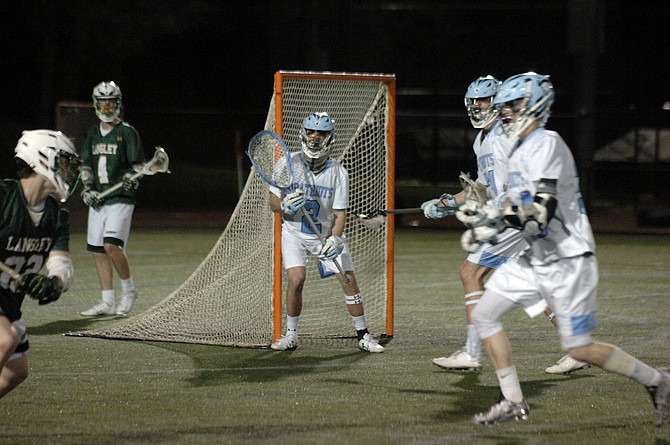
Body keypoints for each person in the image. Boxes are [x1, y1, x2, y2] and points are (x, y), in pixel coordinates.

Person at [466, 72, 670, 426]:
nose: (507, 114)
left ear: (536, 105)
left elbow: (540, 213)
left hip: (569, 259)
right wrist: (486, 212)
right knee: (484, 314)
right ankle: (513, 400)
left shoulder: (547, 144)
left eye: (514, 106)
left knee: (577, 348)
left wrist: (494, 221)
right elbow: (515, 205)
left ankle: (658, 380)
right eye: (505, 107)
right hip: (536, 256)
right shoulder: (515, 149)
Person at [422, 76, 588, 374]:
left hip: (515, 216)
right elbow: (482, 188)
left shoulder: (506, 134)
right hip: (512, 217)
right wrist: (446, 203)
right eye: (473, 101)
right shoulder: (481, 140)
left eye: (484, 100)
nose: (478, 106)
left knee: (470, 272)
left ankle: (472, 353)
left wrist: (500, 207)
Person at [268, 112, 384, 353]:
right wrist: (284, 205)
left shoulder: (338, 172)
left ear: (329, 137)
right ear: (303, 133)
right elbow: (272, 201)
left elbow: (339, 215)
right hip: (295, 234)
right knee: (296, 279)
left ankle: (363, 335)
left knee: (348, 279)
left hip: (325, 234)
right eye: (311, 131)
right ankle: (291, 335)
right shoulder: (288, 163)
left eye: (321, 133)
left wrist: (335, 239)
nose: (315, 137)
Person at [1, 130, 79, 398]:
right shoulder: (4, 197)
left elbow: (62, 266)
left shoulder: (57, 217)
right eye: (64, 163)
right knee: (5, 341)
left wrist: (53, 283)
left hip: (8, 301)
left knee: (16, 372)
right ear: (43, 159)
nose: (69, 171)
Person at [79, 81, 145, 317]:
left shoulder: (127, 132)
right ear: (97, 104)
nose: (106, 107)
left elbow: (137, 166)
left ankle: (128, 291)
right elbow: (86, 166)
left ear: (117, 103)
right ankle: (107, 301)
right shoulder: (92, 133)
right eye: (103, 102)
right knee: (98, 250)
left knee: (111, 245)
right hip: (99, 199)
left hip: (120, 197)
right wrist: (87, 189)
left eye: (111, 102)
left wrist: (131, 177)